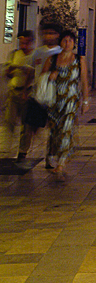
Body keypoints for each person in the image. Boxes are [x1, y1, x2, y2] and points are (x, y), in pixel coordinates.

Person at [42, 30, 89, 180]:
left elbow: (84, 81)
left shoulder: (79, 60)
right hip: (54, 101)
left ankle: (61, 163)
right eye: (64, 40)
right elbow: (42, 78)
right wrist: (50, 76)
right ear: (60, 42)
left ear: (74, 43)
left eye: (70, 40)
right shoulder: (52, 59)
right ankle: (51, 155)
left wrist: (85, 100)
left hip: (70, 101)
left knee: (67, 130)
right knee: (54, 131)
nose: (67, 43)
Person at [28, 23, 62, 168]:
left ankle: (50, 156)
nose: (49, 36)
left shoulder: (61, 52)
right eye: (46, 33)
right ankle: (26, 154)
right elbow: (31, 72)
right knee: (32, 127)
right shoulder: (37, 52)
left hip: (55, 97)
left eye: (52, 33)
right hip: (38, 96)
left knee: (54, 129)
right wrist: (26, 90)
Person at [3, 31, 35, 161]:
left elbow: (34, 74)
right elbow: (8, 74)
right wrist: (10, 70)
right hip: (13, 92)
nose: (24, 45)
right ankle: (6, 148)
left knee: (26, 125)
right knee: (9, 121)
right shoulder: (14, 54)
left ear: (31, 42)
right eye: (22, 42)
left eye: (26, 42)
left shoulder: (34, 56)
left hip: (27, 93)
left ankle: (22, 151)